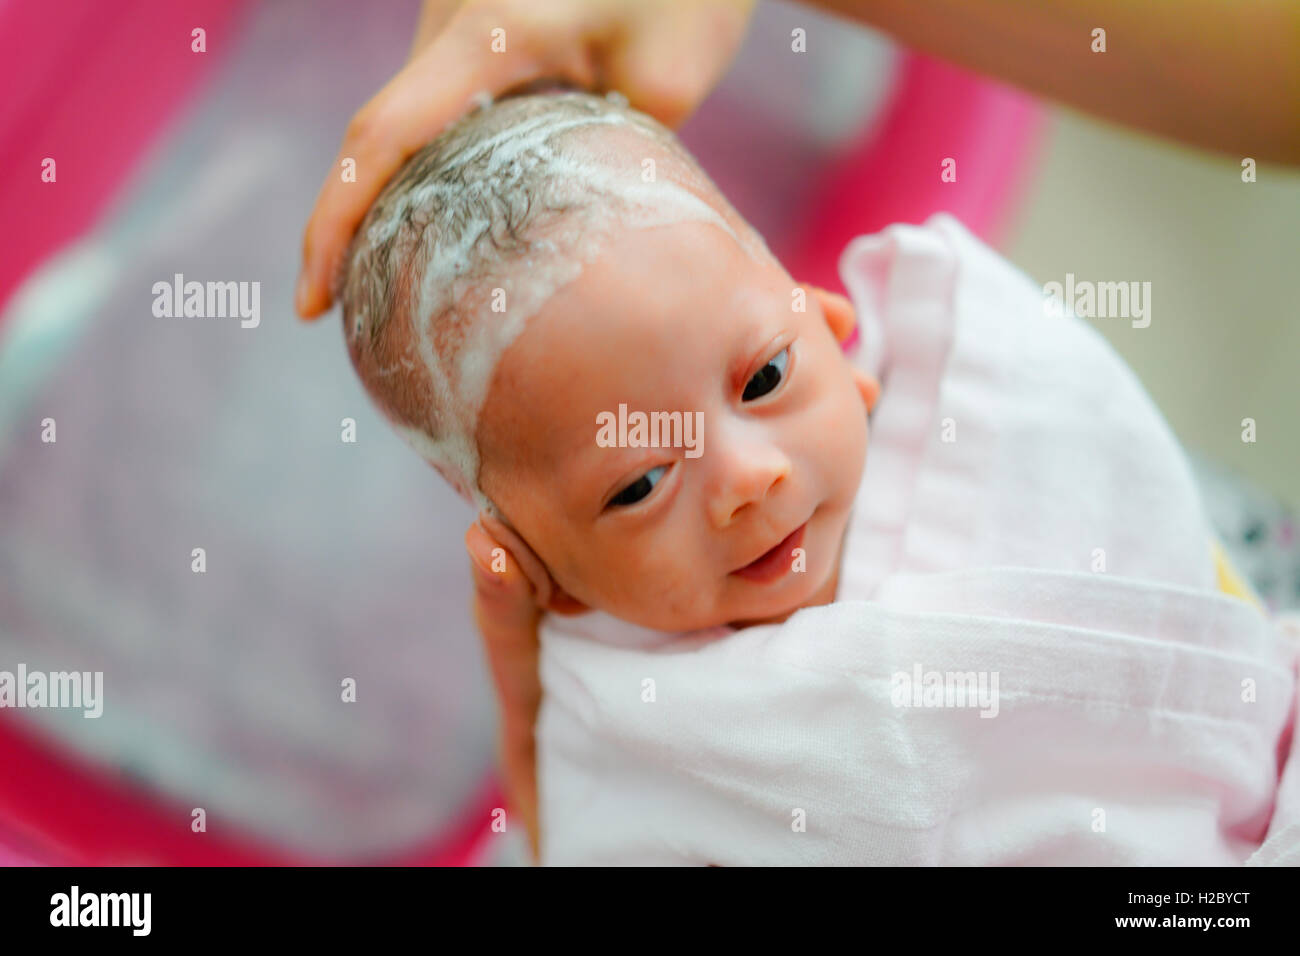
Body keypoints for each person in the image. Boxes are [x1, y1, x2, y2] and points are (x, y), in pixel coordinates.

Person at [296, 0, 1300, 862]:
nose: (744, 477)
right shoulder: (631, 738)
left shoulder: (993, 385)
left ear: (828, 323)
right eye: (638, 483)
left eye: (766, 376)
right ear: (539, 567)